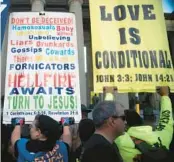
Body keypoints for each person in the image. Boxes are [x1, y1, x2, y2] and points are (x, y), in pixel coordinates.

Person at [115, 87, 173, 162]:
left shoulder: (121, 141)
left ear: (125, 124)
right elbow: (166, 119)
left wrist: (108, 93)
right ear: (141, 121)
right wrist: (165, 96)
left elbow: (107, 122)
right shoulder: (162, 137)